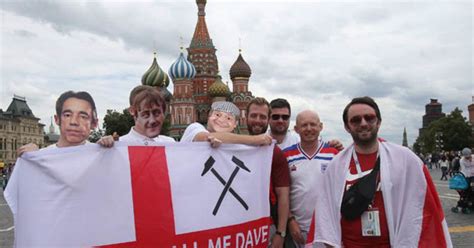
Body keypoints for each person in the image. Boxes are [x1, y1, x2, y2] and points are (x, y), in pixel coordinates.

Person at [315, 96, 452, 247]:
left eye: (369, 118)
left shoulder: (406, 160)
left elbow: (424, 209)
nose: (363, 123)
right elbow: (325, 215)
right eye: (355, 120)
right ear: (347, 127)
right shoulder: (336, 166)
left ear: (378, 122)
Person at [282, 110, 339, 247]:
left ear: (321, 127)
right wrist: (290, 221)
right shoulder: (286, 155)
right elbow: (282, 194)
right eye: (304, 125)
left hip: (327, 229)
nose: (309, 129)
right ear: (296, 129)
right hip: (297, 229)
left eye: (313, 124)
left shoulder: (334, 154)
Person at [245, 97, 290, 248]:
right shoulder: (234, 146)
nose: (258, 121)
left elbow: (283, 196)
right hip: (239, 225)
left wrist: (280, 233)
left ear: (268, 120)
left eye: (263, 117)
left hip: (266, 224)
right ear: (246, 117)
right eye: (253, 116)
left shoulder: (274, 152)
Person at [17, 90, 99, 155]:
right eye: (67, 115)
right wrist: (32, 157)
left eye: (83, 117)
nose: (74, 122)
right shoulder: (41, 157)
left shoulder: (101, 154)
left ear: (94, 123)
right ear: (57, 119)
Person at [98, 85, 175, 147]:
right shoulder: (119, 145)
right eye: (145, 114)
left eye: (157, 113)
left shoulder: (170, 144)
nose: (152, 120)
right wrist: (99, 148)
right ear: (132, 112)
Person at [180, 101, 272, 146]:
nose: (222, 120)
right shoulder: (194, 128)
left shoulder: (233, 145)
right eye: (217, 114)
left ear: (235, 124)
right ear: (209, 115)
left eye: (228, 118)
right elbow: (205, 137)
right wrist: (256, 140)